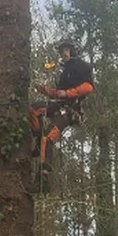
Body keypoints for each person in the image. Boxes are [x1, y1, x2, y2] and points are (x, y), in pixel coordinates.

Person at [28, 40, 94, 188]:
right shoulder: (64, 71)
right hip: (59, 104)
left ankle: (43, 178)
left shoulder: (82, 66)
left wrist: (69, 93)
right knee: (33, 109)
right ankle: (38, 145)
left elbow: (88, 87)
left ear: (73, 51)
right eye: (62, 51)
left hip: (71, 109)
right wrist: (45, 90)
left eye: (66, 50)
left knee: (48, 137)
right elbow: (58, 94)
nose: (64, 53)